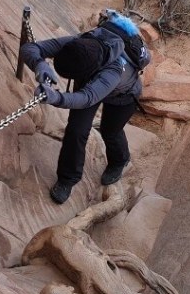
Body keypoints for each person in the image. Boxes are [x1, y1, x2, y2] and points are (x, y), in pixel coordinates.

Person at [21, 10, 151, 204]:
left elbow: (87, 97)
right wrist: (40, 64)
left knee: (110, 130)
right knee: (76, 129)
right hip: (90, 80)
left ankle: (119, 161)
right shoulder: (81, 42)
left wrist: (56, 97)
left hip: (123, 96)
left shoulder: (115, 70)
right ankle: (67, 179)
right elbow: (31, 48)